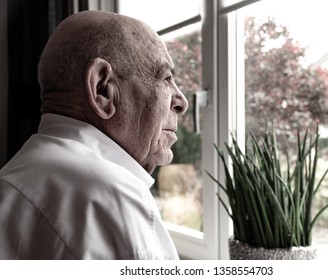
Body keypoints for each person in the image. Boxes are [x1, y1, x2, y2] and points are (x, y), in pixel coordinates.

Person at [0, 10, 188, 259]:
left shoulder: (12, 177)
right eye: (165, 78)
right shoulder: (112, 199)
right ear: (102, 89)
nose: (181, 101)